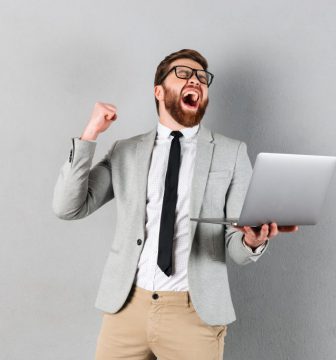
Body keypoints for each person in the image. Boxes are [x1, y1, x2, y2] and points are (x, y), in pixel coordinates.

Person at [52, 49, 298, 360]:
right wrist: (90, 135)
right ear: (158, 90)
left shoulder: (231, 154)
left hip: (193, 313)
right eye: (184, 73)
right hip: (125, 308)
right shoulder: (125, 151)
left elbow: (237, 249)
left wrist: (252, 240)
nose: (196, 80)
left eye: (202, 78)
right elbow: (68, 207)